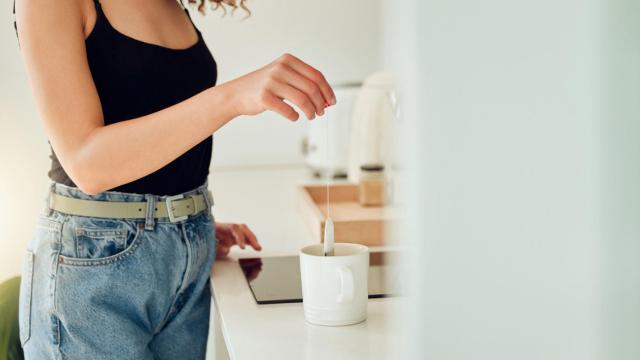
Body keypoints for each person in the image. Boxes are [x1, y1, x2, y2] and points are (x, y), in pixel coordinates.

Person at [13, 0, 336, 358]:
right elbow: (88, 164)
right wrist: (233, 96)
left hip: (186, 254)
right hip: (93, 269)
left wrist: (174, 223)